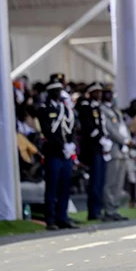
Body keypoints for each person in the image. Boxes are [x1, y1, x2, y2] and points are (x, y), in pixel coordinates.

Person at [38, 80, 78, 230]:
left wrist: (71, 144)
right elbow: (48, 131)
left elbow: (72, 127)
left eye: (59, 90)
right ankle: (51, 219)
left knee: (65, 186)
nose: (58, 93)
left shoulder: (66, 108)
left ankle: (63, 217)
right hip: (53, 152)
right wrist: (62, 146)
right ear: (49, 92)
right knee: (52, 186)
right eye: (55, 91)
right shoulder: (44, 109)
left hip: (66, 153)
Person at [76, 82, 108, 221]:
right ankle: (93, 211)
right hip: (92, 148)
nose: (99, 94)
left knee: (100, 180)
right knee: (94, 181)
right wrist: (100, 138)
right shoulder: (86, 106)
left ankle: (98, 209)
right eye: (95, 92)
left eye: (100, 92)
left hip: (99, 148)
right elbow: (88, 127)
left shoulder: (97, 107)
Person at [99, 88, 133, 222]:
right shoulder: (103, 110)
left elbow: (122, 127)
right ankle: (108, 210)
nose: (110, 96)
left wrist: (128, 140)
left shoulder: (115, 109)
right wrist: (125, 141)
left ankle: (114, 209)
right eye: (107, 94)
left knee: (119, 183)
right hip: (113, 149)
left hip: (122, 150)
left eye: (111, 94)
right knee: (110, 182)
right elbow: (110, 129)